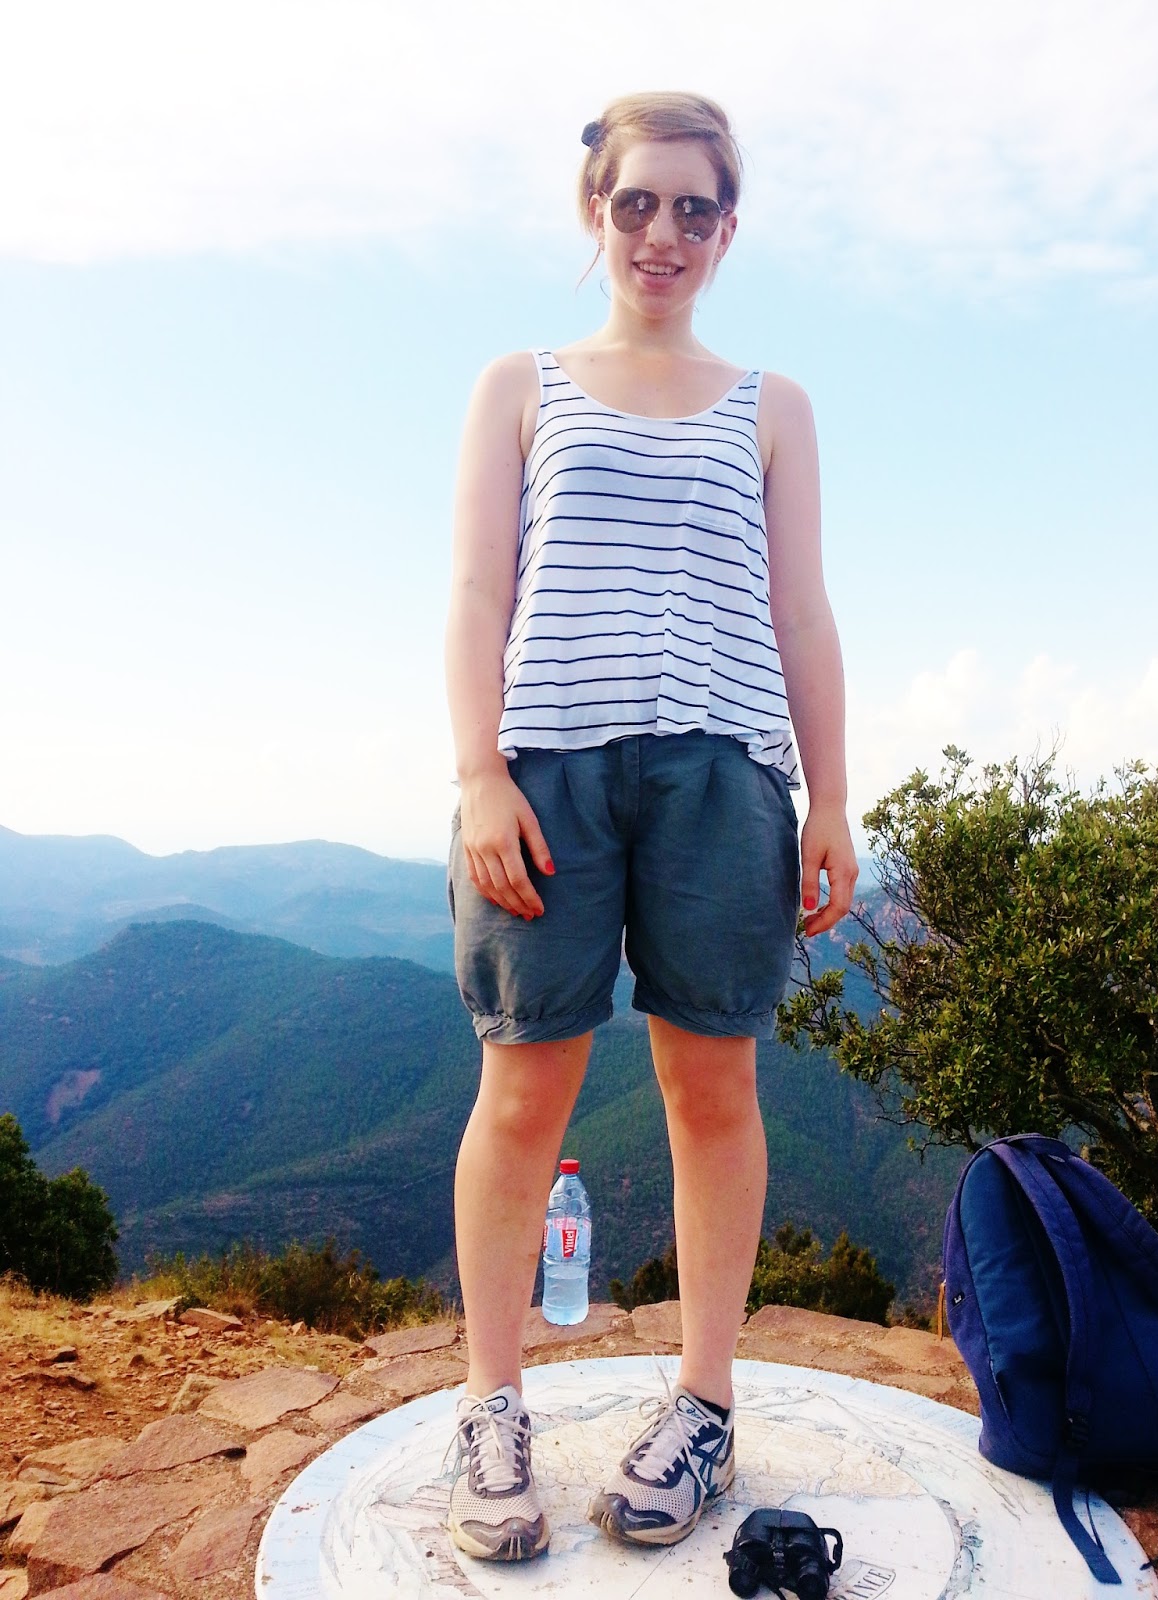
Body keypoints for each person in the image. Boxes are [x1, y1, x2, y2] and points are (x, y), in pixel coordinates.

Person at [442, 90, 857, 1562]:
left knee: (712, 1089)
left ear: (728, 228)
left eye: (693, 208)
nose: (662, 233)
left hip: (723, 777)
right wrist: (478, 772)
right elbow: (478, 591)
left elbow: (803, 612)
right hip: (546, 774)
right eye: (636, 203)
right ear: (595, 211)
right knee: (521, 1092)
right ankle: (492, 1408)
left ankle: (704, 1401)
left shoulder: (772, 407)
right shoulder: (523, 385)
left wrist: (830, 795)